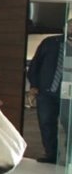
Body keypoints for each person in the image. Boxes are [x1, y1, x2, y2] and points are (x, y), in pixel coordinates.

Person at [27, 17, 71, 164]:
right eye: (69, 26)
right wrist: (33, 86)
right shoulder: (50, 42)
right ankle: (51, 154)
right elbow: (35, 64)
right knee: (46, 123)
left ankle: (69, 159)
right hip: (46, 91)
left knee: (69, 124)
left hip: (68, 94)